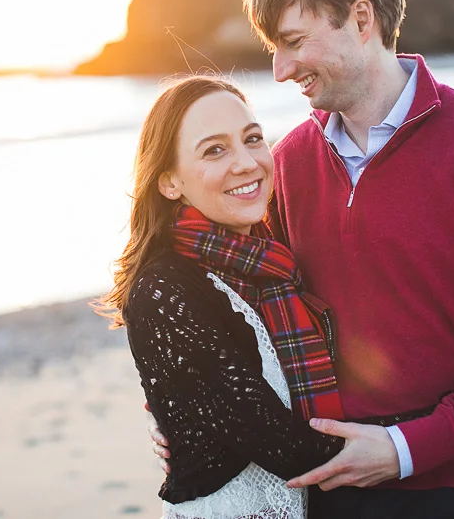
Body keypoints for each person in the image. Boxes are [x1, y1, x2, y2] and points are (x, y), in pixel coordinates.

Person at [151, 0, 454, 518]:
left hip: (453, 489)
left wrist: (412, 446)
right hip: (325, 485)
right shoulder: (289, 163)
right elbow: (246, 313)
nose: (280, 69)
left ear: (361, 19)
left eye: (295, 42)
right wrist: (188, 409)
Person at [96, 76, 359, 519]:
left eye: (252, 139)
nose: (246, 162)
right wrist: (426, 434)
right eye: (214, 149)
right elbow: (288, 448)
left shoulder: (271, 265)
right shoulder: (164, 289)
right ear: (168, 182)